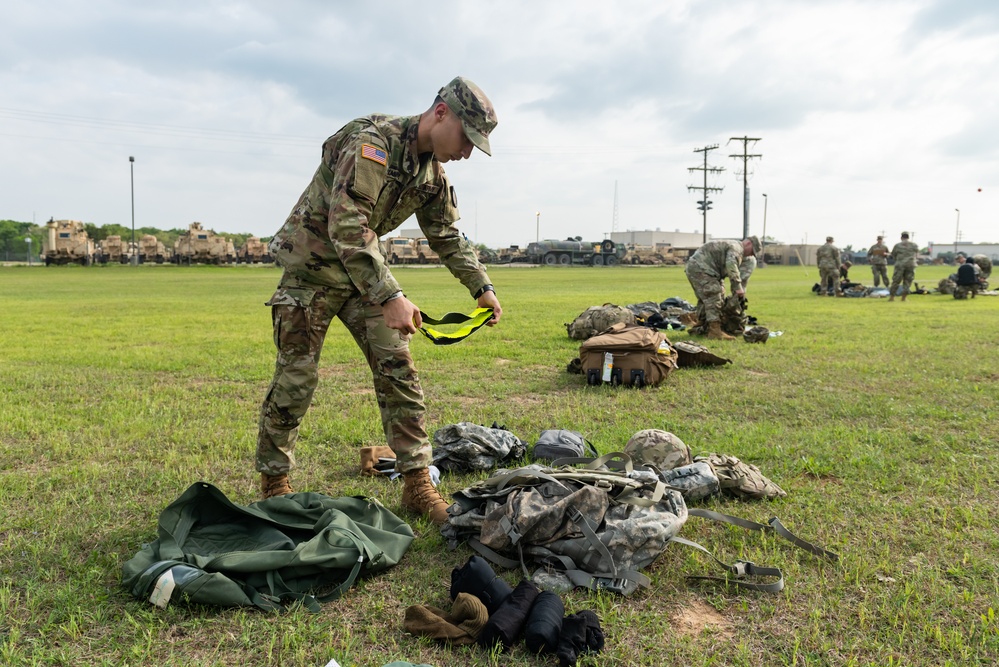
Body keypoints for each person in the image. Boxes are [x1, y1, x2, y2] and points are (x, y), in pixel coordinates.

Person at [255, 77, 502, 525]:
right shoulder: (372, 142)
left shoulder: (431, 174)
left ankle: (416, 485)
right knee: (296, 380)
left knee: (399, 372)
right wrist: (390, 295)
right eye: (467, 138)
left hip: (362, 279)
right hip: (312, 272)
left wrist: (481, 286)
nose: (468, 152)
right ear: (441, 112)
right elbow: (348, 225)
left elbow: (446, 235)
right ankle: (275, 482)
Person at [684, 236, 761, 340]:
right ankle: (714, 331)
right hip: (702, 268)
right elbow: (731, 265)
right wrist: (738, 287)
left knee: (709, 297)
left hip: (702, 269)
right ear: (748, 244)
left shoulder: (734, 246)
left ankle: (701, 326)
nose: (750, 255)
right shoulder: (737, 248)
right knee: (713, 294)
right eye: (752, 252)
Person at [888, 231, 920, 301]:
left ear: (901, 237)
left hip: (900, 265)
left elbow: (893, 255)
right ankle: (904, 298)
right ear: (908, 237)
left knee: (896, 281)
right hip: (911, 265)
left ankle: (892, 297)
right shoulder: (914, 245)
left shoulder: (897, 245)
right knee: (908, 281)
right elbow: (917, 254)